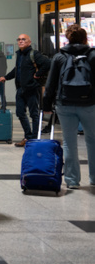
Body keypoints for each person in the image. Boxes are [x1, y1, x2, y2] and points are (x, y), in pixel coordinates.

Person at [42, 24, 95, 189]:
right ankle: (94, 178)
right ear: (85, 38)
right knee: (92, 140)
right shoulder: (93, 55)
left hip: (64, 104)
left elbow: (50, 84)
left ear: (68, 38)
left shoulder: (59, 57)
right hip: (89, 103)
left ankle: (72, 180)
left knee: (69, 142)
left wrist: (46, 105)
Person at [0, 33, 50, 147]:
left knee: (34, 114)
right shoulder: (20, 55)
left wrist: (38, 74)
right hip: (21, 89)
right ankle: (28, 136)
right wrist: (6, 77)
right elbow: (17, 69)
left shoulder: (34, 54)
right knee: (20, 112)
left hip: (32, 88)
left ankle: (35, 138)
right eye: (19, 39)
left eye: (23, 39)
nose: (21, 41)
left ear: (29, 42)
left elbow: (47, 63)